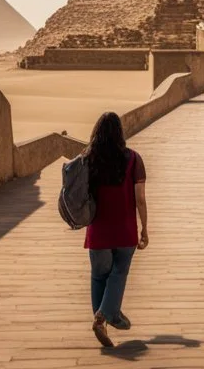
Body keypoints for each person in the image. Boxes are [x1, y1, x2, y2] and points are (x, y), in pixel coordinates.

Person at [82, 112, 148, 348]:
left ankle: (106, 316)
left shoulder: (88, 159)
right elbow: (140, 198)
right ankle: (105, 316)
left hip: (98, 231)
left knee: (99, 276)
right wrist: (145, 228)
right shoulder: (133, 159)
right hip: (125, 230)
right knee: (119, 273)